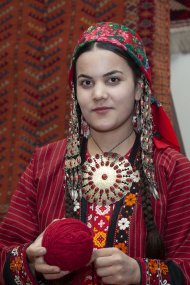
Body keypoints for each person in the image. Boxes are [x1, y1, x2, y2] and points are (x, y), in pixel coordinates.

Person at [0, 22, 190, 285]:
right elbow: (4, 251)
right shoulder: (44, 163)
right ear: (75, 92)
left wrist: (139, 273)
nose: (98, 94)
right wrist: (31, 263)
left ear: (138, 88)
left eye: (113, 80)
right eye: (86, 83)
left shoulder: (173, 169)